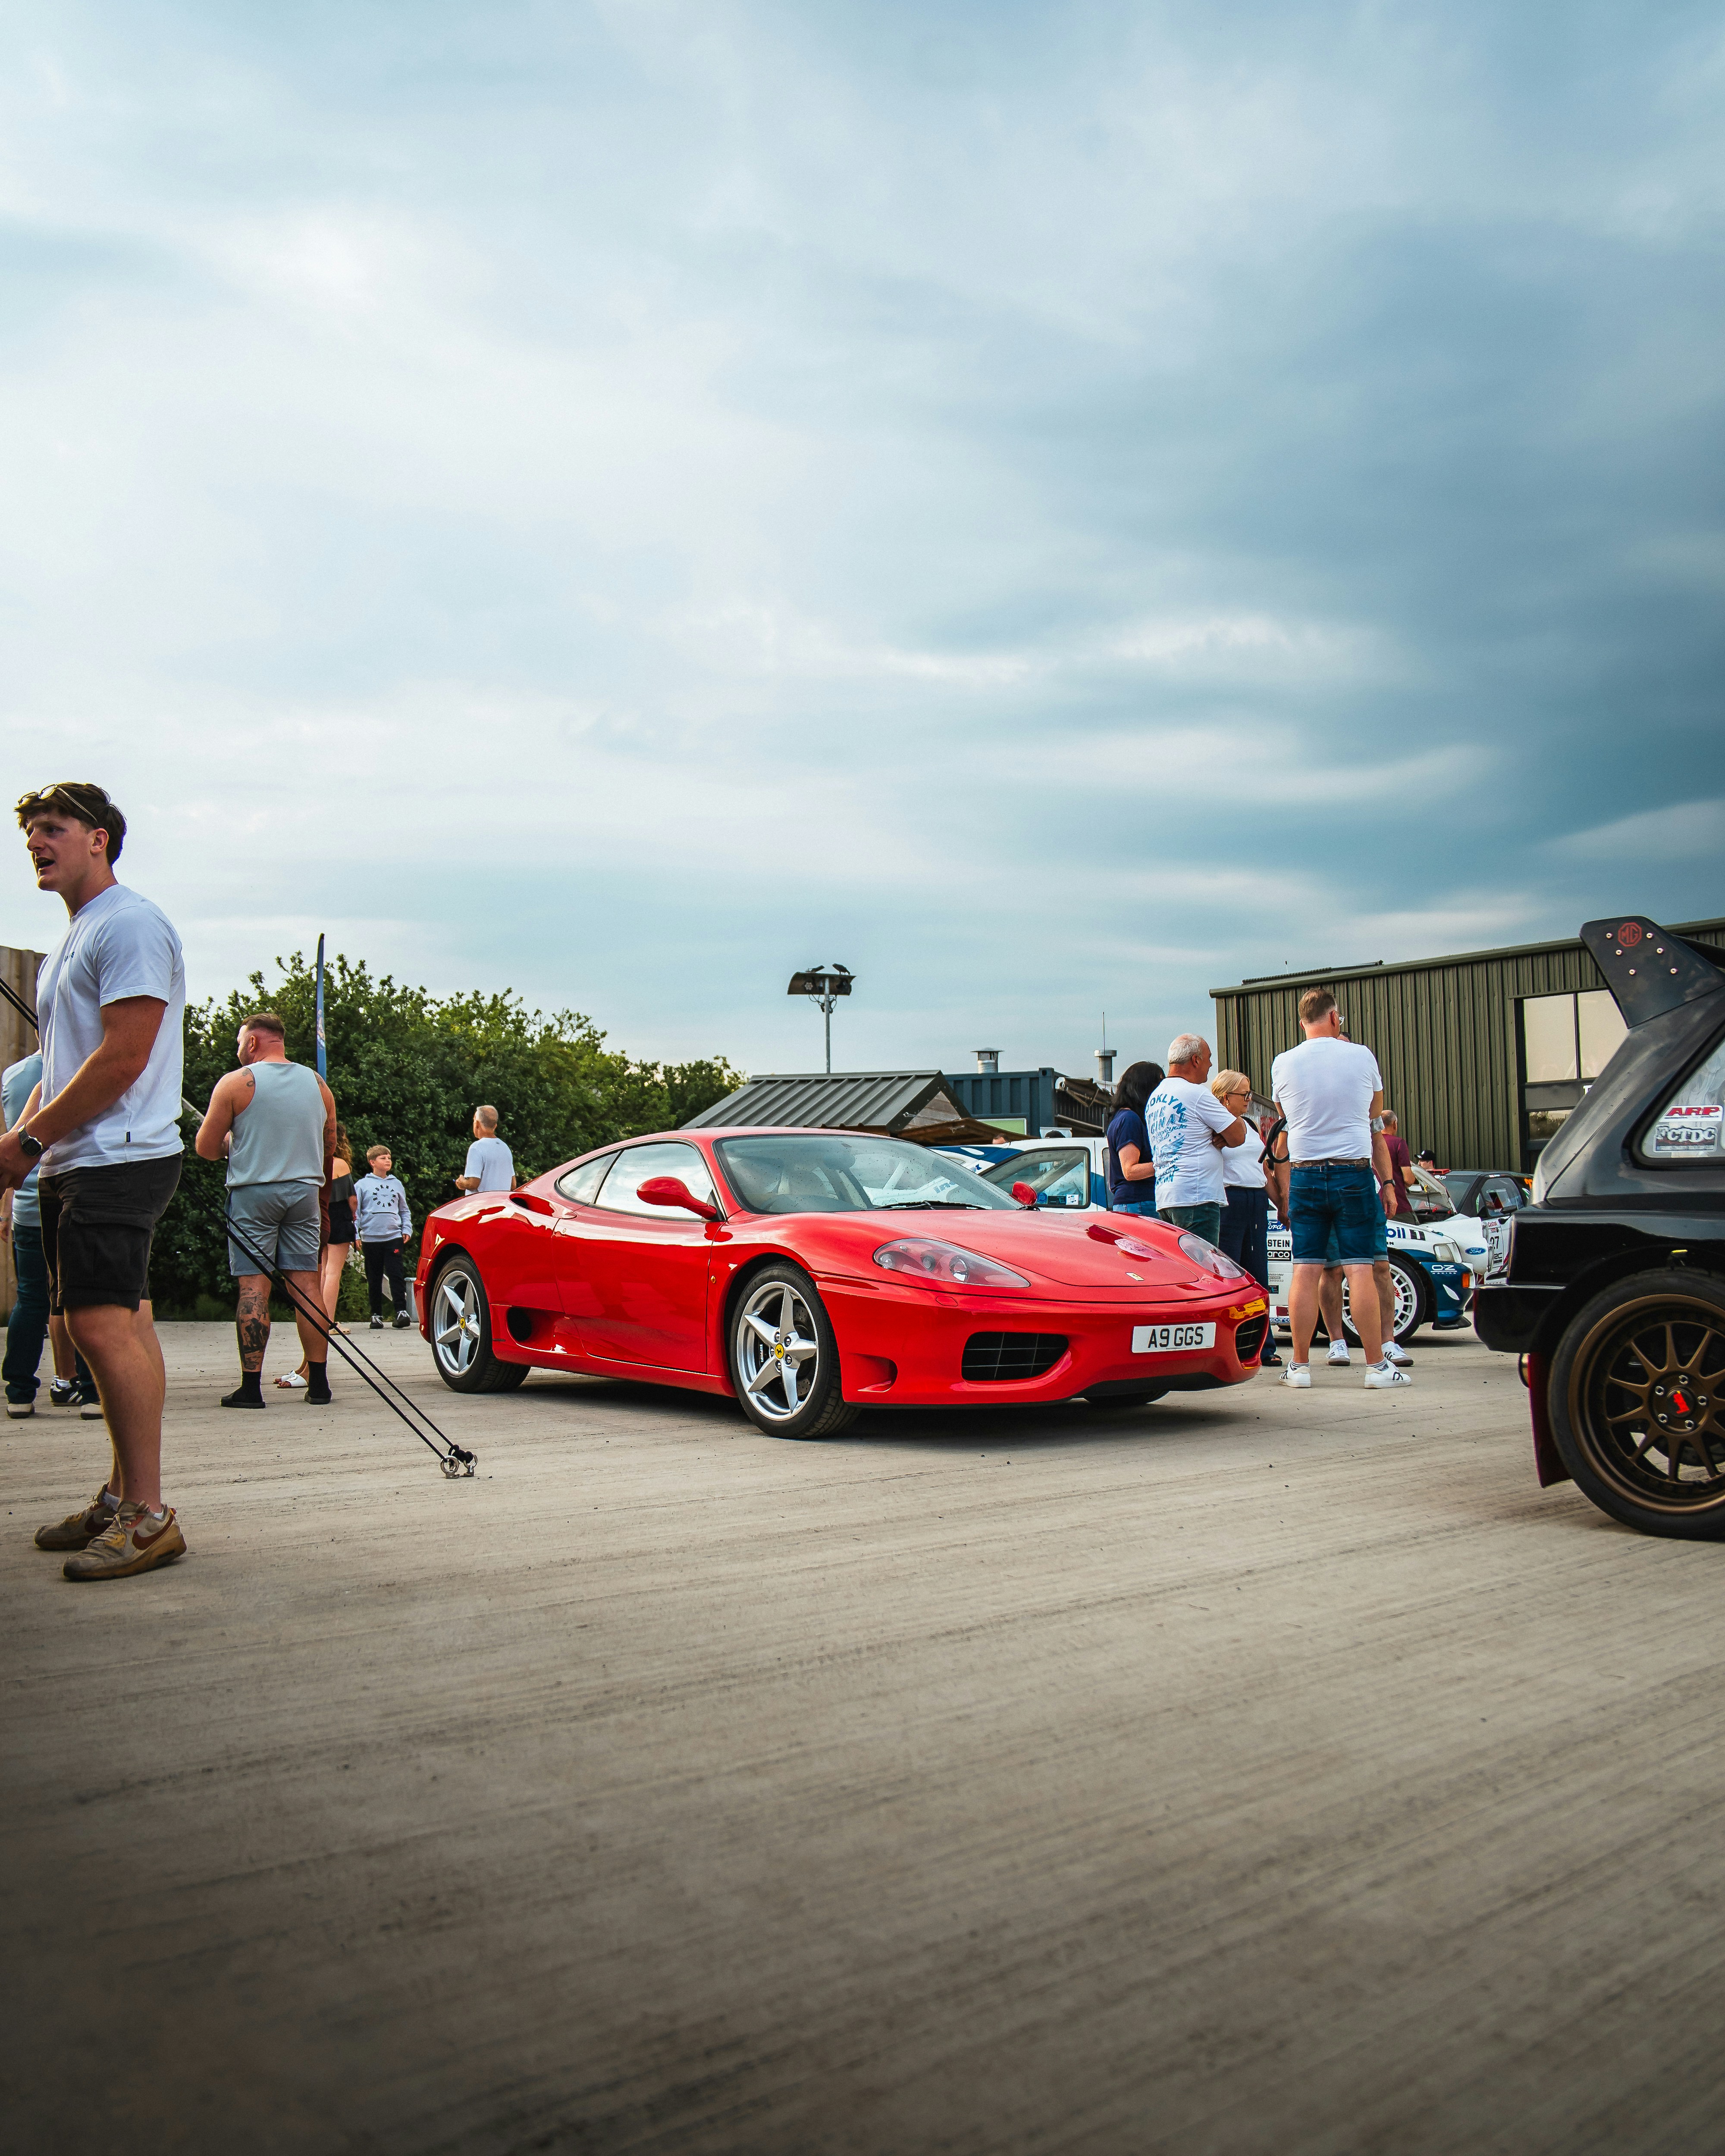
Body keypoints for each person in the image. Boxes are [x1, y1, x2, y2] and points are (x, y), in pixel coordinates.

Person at [2, 782, 189, 1580]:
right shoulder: (74, 941)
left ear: (99, 839)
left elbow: (124, 1057)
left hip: (121, 1155)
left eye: (53, 828)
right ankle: (121, 1498)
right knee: (118, 1324)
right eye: (30, 833)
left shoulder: (130, 923)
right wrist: (22, 1145)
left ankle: (149, 1517)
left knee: (99, 1325)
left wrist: (31, 1138)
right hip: (77, 1159)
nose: (36, 843)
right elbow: (62, 1067)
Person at [1270, 987, 1409, 1391]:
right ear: (1334, 1018)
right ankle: (1377, 1366)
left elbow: (1285, 1114)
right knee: (1360, 1268)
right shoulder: (1362, 1056)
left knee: (1306, 1270)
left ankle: (1299, 1366)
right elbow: (1374, 1114)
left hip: (1306, 1174)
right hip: (1353, 1172)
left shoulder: (1283, 1062)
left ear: (1302, 1023)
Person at [196, 1012, 337, 1409]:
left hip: (253, 1193)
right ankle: (319, 1383)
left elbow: (205, 1148)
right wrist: (321, 1198)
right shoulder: (318, 1084)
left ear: (254, 1042)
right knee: (307, 1286)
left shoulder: (237, 1083)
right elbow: (329, 1148)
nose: (238, 1049)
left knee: (254, 1287)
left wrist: (231, 1145)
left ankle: (251, 1387)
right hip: (305, 1192)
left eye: (240, 1042)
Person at [3, 1047, 96, 1417]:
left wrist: (6, 1210)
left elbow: (13, 1141)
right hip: (71, 1194)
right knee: (83, 1295)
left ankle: (19, 1392)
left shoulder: (12, 1076)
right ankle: (91, 1391)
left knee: (30, 1298)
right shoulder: (82, 1063)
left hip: (26, 1201)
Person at [1144, 1035, 1245, 1247]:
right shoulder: (1196, 1093)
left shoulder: (1155, 1097)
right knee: (1203, 1265)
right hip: (1197, 1197)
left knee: (1179, 1265)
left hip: (1167, 1195)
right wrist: (1227, 1129)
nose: (1211, 1065)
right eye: (1209, 1058)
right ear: (1196, 1060)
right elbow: (1238, 1137)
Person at [1211, 1069, 1280, 1368]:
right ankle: (1233, 1345)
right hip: (1230, 1199)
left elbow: (1262, 1169)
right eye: (1244, 1094)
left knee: (1258, 1274)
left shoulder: (1249, 1126)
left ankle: (1264, 1344)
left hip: (1256, 1199)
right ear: (1225, 1097)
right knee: (1231, 1273)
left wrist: (1282, 1204)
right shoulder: (1216, 1126)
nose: (1249, 1099)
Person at [280, 1121, 357, 1388]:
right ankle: (328, 1320)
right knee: (334, 1272)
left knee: (320, 1272)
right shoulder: (341, 1164)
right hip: (339, 1218)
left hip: (318, 1219)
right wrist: (355, 1217)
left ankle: (306, 1363)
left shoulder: (310, 1161)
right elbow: (352, 1199)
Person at [354, 1143, 414, 1328]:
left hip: (393, 1236)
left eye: (389, 1157)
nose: (388, 1160)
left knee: (396, 1273)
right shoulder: (362, 1185)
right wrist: (355, 1234)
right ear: (373, 1162)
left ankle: (401, 1312)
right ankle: (376, 1315)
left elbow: (404, 1210)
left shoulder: (396, 1184)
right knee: (374, 1276)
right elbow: (356, 1212)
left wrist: (407, 1229)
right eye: (383, 1158)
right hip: (371, 1237)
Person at [1104, 1062, 1163, 1214]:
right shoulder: (1129, 1119)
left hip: (1137, 1203)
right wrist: (1165, 1165)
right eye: (1159, 1085)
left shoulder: (1123, 1117)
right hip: (1138, 1203)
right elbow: (1130, 1171)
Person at [455, 1105, 515, 1193]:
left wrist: (462, 1182)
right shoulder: (505, 1148)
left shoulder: (476, 1148)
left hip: (481, 1202)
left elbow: (473, 1184)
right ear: (495, 1126)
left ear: (477, 1124)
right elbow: (513, 1185)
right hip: (501, 1201)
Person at [1381, 1110, 1417, 1220]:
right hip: (1397, 1207)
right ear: (1395, 1124)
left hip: (1374, 1206)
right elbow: (1408, 1180)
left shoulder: (1370, 1143)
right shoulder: (1398, 1143)